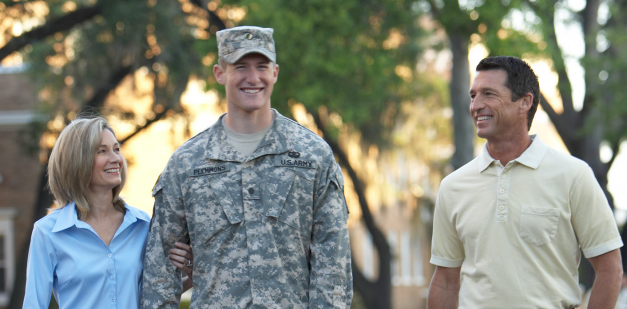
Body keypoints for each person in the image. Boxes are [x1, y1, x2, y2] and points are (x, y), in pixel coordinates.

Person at [141, 26, 352, 308]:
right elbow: (159, 273)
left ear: (275, 72)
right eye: (240, 67)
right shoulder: (187, 164)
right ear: (220, 73)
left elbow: (334, 265)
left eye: (262, 67)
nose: (253, 78)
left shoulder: (313, 156)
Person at [427, 56, 624, 309]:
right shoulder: (453, 186)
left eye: (489, 94)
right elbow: (445, 281)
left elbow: (609, 268)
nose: (476, 105)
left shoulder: (573, 175)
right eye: (473, 95)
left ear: (525, 102)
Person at [23, 117, 194, 309]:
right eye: (102, 151)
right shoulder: (48, 232)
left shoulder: (142, 224)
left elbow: (158, 294)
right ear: (77, 161)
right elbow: (33, 304)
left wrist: (192, 274)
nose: (116, 159)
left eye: (116, 149)